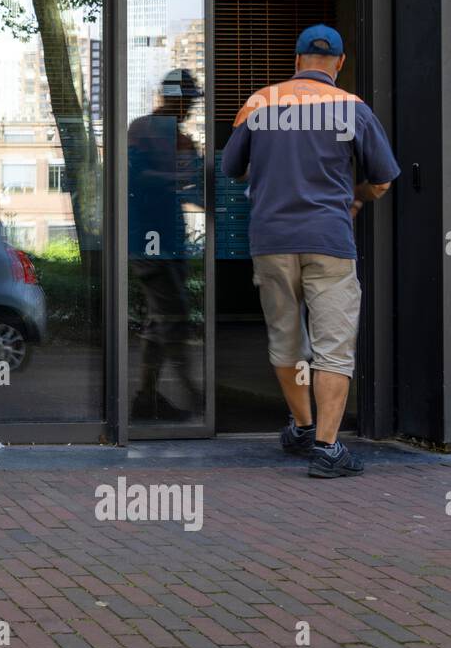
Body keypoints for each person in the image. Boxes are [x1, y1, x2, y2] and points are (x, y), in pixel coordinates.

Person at [221, 25, 399, 478]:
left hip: (271, 240)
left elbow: (232, 168)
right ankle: (327, 448)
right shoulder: (352, 108)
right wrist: (355, 198)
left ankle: (302, 426)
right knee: (333, 348)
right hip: (329, 241)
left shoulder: (260, 103)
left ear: (297, 59)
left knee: (286, 339)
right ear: (339, 64)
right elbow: (383, 179)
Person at [128, 69, 204, 421]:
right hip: (150, 239)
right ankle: (193, 393)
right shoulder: (143, 129)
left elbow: (196, 186)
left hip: (170, 239)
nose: (189, 108)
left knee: (163, 320)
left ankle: (147, 397)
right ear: (172, 98)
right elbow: (136, 176)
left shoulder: (182, 138)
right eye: (186, 101)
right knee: (172, 318)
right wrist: (180, 179)